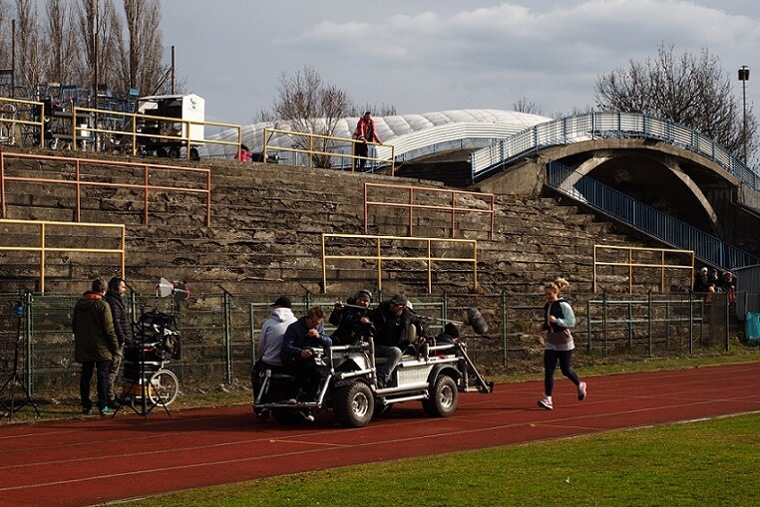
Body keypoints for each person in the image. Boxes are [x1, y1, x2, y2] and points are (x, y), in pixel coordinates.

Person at [538, 277, 586, 410]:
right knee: (549, 370)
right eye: (546, 294)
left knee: (565, 370)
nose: (548, 297)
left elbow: (571, 322)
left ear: (556, 293)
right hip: (551, 340)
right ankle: (548, 399)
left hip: (564, 340)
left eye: (550, 294)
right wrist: (544, 326)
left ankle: (579, 384)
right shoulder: (547, 306)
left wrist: (557, 321)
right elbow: (549, 322)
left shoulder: (564, 305)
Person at [72, 279, 119, 415]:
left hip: (84, 345)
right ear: (104, 290)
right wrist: (115, 346)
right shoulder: (103, 305)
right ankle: (103, 404)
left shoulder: (79, 304)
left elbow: (74, 325)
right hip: (101, 347)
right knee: (102, 376)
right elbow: (109, 329)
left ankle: (86, 405)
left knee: (86, 375)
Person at [368, 293, 427, 388]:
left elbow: (422, 323)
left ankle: (382, 378)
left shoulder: (408, 316)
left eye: (396, 305)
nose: (392, 306)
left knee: (396, 352)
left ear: (402, 307)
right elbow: (367, 314)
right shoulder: (381, 311)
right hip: (377, 345)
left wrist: (423, 334)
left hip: (395, 347)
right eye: (392, 303)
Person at [281, 306, 332, 408]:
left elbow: (329, 343)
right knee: (306, 367)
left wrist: (318, 336)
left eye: (318, 323)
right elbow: (286, 347)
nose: (315, 325)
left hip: (312, 360)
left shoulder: (318, 328)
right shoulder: (294, 328)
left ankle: (310, 399)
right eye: (313, 322)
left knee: (319, 370)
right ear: (308, 318)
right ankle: (294, 395)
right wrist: (300, 352)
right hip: (293, 360)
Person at [104, 277, 133, 407]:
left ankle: (109, 395)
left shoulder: (115, 300)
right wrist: (122, 338)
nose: (124, 289)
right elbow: (116, 322)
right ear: (116, 288)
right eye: (122, 287)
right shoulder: (114, 302)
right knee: (113, 370)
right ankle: (109, 397)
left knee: (113, 370)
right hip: (116, 341)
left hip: (118, 339)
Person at [258, 296, 297, 371]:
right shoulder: (295, 322)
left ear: (279, 306)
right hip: (290, 362)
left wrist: (262, 357)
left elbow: (261, 345)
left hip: (269, 362)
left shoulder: (268, 323)